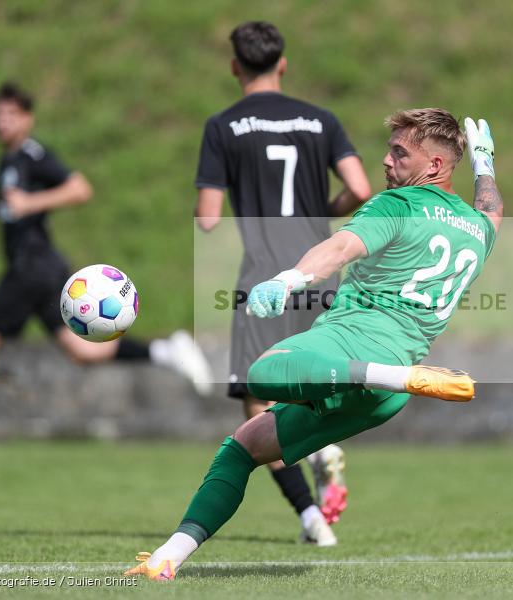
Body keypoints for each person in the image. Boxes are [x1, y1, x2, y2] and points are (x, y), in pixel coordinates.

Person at [125, 108, 502, 580]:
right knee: (244, 446)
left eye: (400, 154)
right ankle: (166, 559)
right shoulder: (477, 229)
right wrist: (485, 163)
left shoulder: (398, 206)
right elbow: (492, 210)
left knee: (260, 375)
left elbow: (340, 248)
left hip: (351, 347)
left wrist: (288, 280)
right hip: (385, 396)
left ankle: (398, 377)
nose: (386, 161)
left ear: (434, 167)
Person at [0, 82, 212, 465]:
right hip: (41, 270)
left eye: (10, 116)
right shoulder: (8, 161)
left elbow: (79, 188)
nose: (1, 123)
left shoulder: (35, 155)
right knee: (83, 351)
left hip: (31, 268)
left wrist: (31, 201)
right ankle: (166, 350)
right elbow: (14, 209)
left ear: (28, 119)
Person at [193, 21, 372, 546]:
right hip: (317, 272)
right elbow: (360, 188)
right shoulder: (321, 120)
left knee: (255, 404)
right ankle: (322, 450)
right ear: (283, 63)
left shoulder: (223, 125)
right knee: (313, 382)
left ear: (234, 66)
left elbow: (207, 219)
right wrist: (321, 210)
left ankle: (311, 515)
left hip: (262, 283)